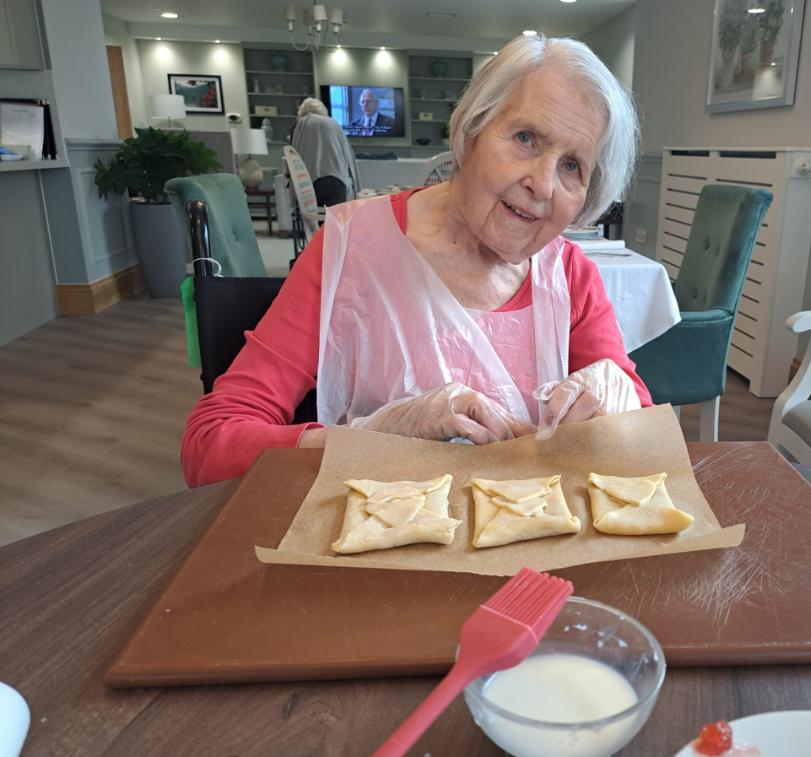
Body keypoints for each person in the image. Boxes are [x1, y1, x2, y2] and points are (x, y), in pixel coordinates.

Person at [182, 34, 650, 487]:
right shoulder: (350, 250)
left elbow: (645, 438)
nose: (544, 185)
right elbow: (209, 447)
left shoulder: (570, 275)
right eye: (526, 137)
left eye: (573, 165)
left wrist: (615, 411)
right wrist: (375, 438)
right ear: (468, 133)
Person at [290, 97, 356, 206]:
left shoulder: (301, 125)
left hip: (307, 184)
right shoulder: (334, 124)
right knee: (335, 217)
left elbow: (293, 156)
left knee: (313, 218)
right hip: (338, 182)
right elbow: (347, 156)